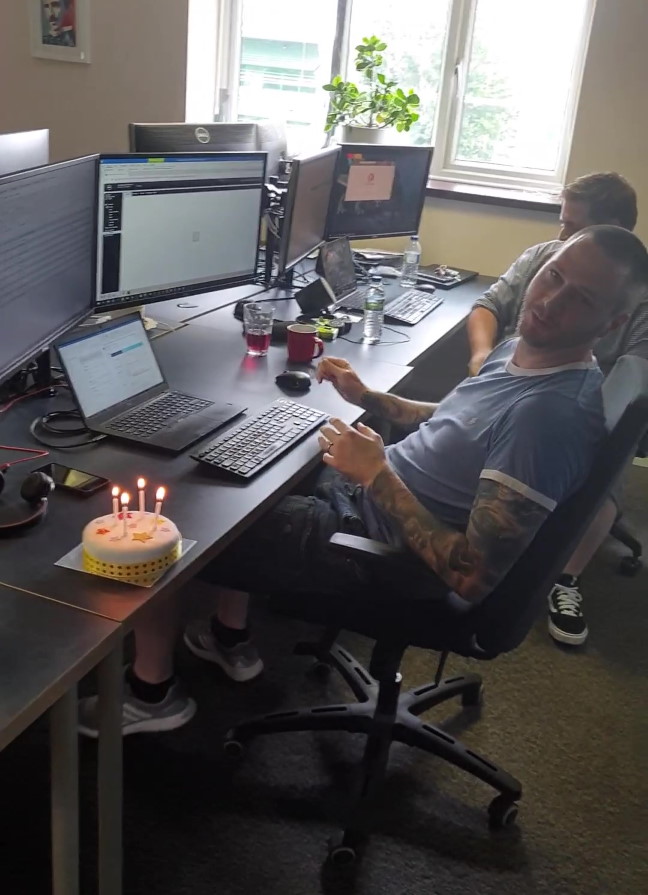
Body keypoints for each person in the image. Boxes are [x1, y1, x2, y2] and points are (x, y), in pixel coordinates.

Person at [78, 226, 648, 737]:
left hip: (380, 550)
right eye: (553, 276)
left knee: (169, 517)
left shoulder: (547, 418)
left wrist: (375, 474)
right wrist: (372, 400)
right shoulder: (528, 350)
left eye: (582, 298)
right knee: (244, 465)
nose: (549, 301)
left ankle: (152, 695)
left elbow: (471, 576)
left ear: (614, 322)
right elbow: (459, 423)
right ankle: (229, 639)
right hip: (371, 497)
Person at [467, 172, 648, 647]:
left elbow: (636, 376)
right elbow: (488, 305)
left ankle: (564, 580)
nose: (561, 237)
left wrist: (590, 430)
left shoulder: (636, 292)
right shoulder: (546, 258)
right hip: (509, 385)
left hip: (583, 407)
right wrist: (481, 358)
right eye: (562, 223)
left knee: (596, 484)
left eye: (573, 227)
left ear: (613, 233)